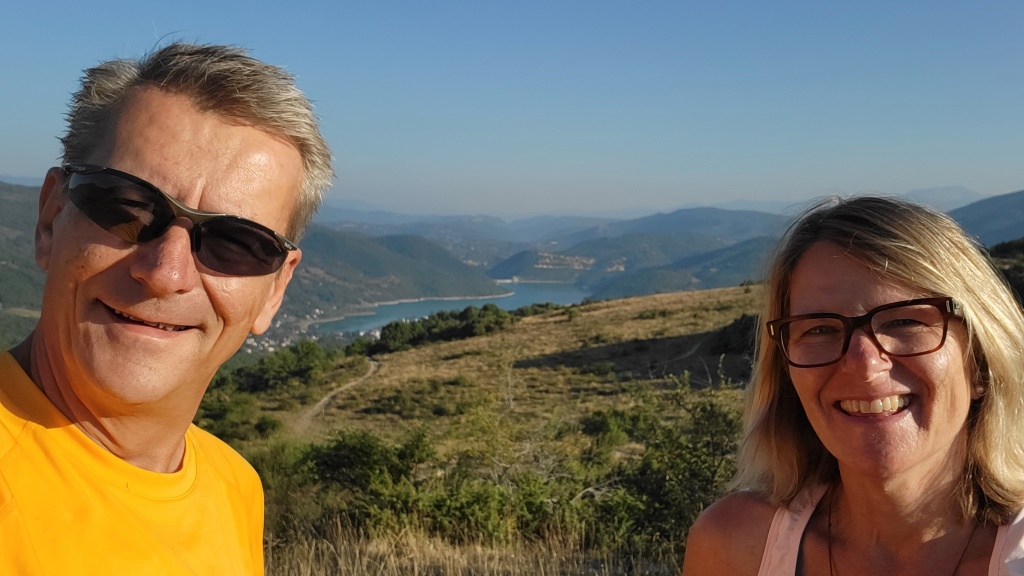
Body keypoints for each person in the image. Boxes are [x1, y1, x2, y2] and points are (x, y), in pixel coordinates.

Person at [1, 43, 333, 574]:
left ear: (275, 289)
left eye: (236, 242)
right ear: (50, 219)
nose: (165, 274)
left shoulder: (235, 487)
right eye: (127, 209)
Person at [682, 196, 1024, 576]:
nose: (864, 365)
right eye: (820, 329)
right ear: (786, 372)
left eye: (904, 322)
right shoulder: (735, 547)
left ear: (980, 362)